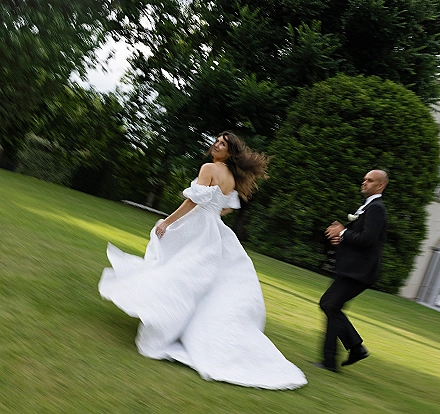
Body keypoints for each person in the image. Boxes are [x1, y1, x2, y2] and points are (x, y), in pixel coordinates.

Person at [99, 131, 307, 390]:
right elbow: (229, 206)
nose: (216, 145)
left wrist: (167, 221)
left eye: (222, 143)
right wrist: (213, 211)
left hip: (199, 225)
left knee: (177, 270)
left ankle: (166, 319)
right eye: (217, 141)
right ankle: (185, 321)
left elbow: (191, 201)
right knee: (200, 277)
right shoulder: (231, 177)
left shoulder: (208, 167)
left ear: (230, 152)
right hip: (216, 229)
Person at [314, 169, 388, 372]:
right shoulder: (368, 207)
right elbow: (360, 238)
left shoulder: (377, 208)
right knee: (331, 306)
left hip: (360, 271)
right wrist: (342, 238)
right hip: (352, 269)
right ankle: (337, 357)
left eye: (370, 180)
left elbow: (368, 240)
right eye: (364, 179)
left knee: (329, 304)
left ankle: (351, 350)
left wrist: (344, 231)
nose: (364, 182)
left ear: (380, 185)